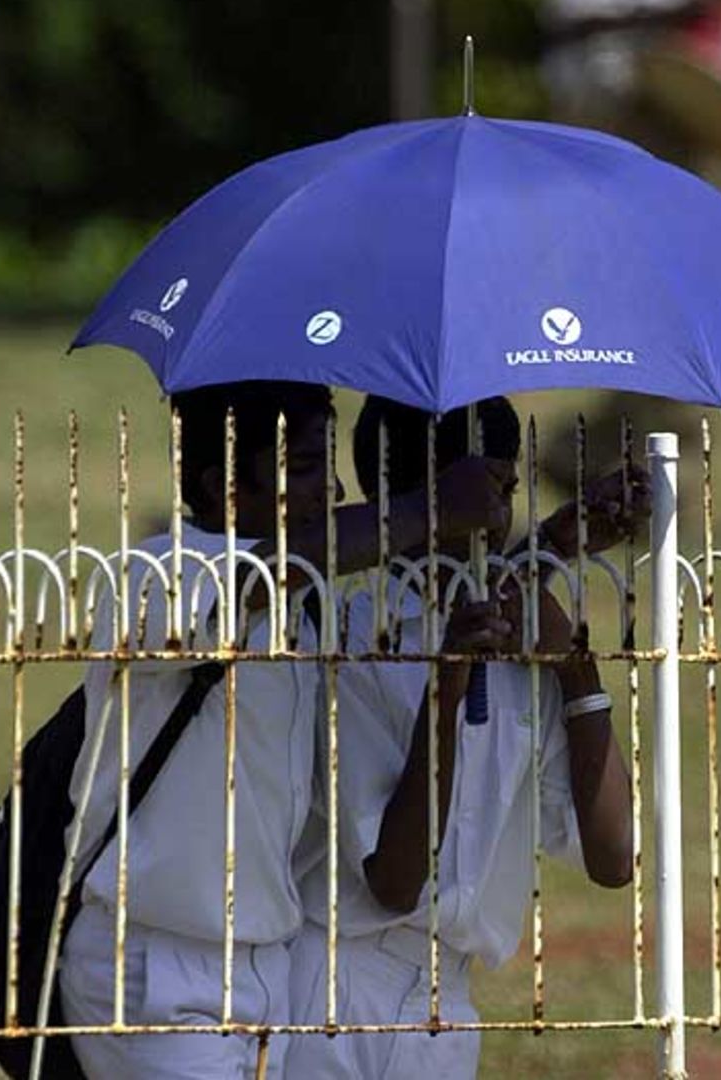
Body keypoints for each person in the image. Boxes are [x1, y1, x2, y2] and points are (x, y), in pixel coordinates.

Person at [58, 381, 514, 1079]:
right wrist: (427, 509)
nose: (328, 492)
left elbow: (367, 577)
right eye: (303, 470)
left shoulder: (306, 603)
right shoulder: (160, 573)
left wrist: (557, 540)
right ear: (221, 486)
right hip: (156, 963)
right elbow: (256, 579)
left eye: (326, 467)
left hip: (265, 971)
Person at [287, 395, 642, 1079]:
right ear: (426, 499)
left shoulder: (519, 644)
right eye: (483, 493)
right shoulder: (349, 637)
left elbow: (615, 858)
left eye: (507, 491)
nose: (500, 517)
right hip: (332, 991)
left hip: (447, 1003)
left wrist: (575, 669)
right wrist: (447, 683)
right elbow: (395, 881)